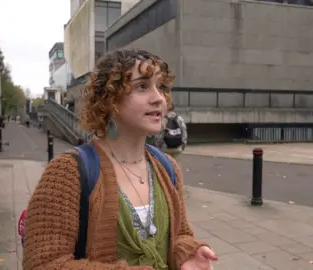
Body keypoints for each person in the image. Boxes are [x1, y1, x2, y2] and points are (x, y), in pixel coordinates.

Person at [22, 49, 217, 270]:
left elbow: (180, 234)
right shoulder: (68, 172)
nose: (159, 98)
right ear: (109, 100)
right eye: (142, 86)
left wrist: (187, 254)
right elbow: (42, 264)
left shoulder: (167, 167)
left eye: (161, 87)